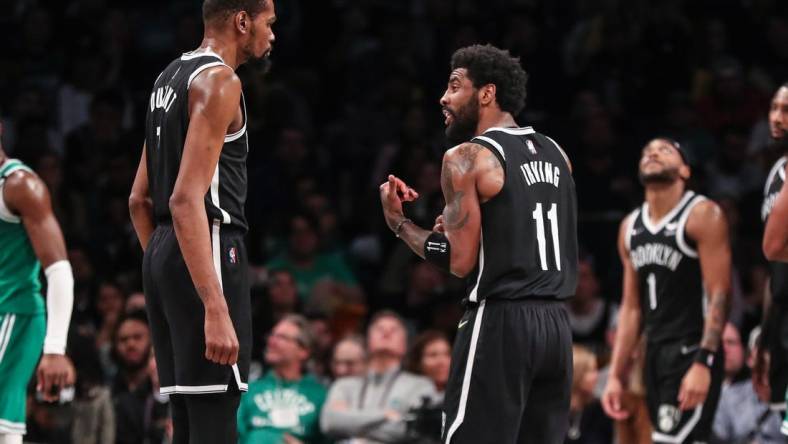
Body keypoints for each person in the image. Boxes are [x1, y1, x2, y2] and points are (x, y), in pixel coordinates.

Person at [379, 44, 577, 443]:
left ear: (487, 93)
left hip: (503, 320)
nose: (443, 98)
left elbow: (458, 261)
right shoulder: (558, 154)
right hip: (557, 327)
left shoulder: (466, 157)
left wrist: (399, 223)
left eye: (454, 86)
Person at [127, 1, 276, 442]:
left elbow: (139, 199)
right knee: (214, 417)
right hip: (207, 246)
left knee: (186, 421)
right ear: (242, 21)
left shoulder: (166, 78)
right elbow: (184, 199)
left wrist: (168, 269)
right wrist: (213, 303)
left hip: (164, 253)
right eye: (269, 23)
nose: (272, 35)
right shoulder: (220, 79)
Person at [601, 138, 732, 443]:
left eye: (665, 150)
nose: (653, 153)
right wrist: (616, 376)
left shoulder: (703, 214)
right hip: (655, 353)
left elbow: (720, 296)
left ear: (685, 169)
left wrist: (704, 362)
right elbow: (632, 308)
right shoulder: (630, 227)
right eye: (647, 151)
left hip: (691, 348)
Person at [0, 123, 75, 444]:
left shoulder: (20, 185)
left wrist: (55, 348)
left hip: (14, 314)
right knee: (6, 424)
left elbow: (59, 271)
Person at [321, 310, 436, 443]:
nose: (386, 333)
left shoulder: (420, 385)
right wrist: (386, 415)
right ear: (368, 341)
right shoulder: (345, 385)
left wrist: (349, 420)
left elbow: (409, 430)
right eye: (379, 328)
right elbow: (329, 422)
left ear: (405, 345)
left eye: (394, 330)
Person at [237, 314, 327, 444]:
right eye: (272, 335)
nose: (271, 342)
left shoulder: (319, 395)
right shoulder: (250, 390)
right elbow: (235, 435)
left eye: (282, 338)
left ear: (304, 351)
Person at [758, 82, 788, 437]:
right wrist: (763, 340)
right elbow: (774, 270)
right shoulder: (775, 173)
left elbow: (773, 246)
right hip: (781, 327)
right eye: (774, 108)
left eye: (786, 111)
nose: (778, 119)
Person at [713, 325, 784, 443]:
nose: (768, 353)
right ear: (750, 358)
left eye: (773, 346)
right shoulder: (728, 398)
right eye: (762, 345)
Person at [111, 311, 169, 444]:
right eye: (123, 340)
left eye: (137, 337)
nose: (130, 344)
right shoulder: (125, 403)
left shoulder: (190, 398)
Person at [566, 345, 612, 444]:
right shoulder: (554, 410)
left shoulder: (599, 409)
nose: (596, 375)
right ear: (576, 374)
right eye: (591, 370)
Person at [405, 330, 452, 396]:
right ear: (418, 363)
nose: (442, 361)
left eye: (447, 354)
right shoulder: (407, 395)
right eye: (433, 355)